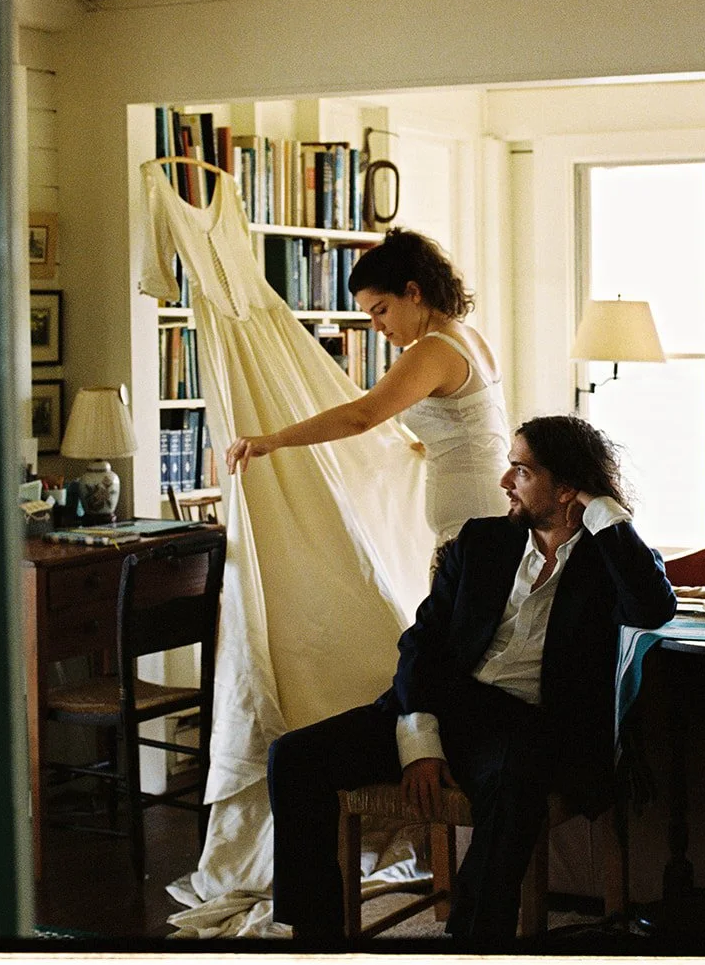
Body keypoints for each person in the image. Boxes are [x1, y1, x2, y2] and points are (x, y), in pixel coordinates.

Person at [265, 415, 677, 943]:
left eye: (521, 470)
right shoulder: (482, 542)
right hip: (437, 706)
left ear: (567, 487)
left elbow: (653, 606)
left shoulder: (610, 559)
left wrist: (602, 510)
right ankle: (316, 941)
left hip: (525, 725)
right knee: (294, 757)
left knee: (513, 785)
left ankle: (473, 945)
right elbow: (421, 643)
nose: (506, 482)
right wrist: (419, 739)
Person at [224, 228, 509, 549]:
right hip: (482, 512)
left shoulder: (432, 350)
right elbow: (473, 429)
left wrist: (273, 441)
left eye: (381, 310)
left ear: (413, 291)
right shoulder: (467, 336)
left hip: (474, 519)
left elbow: (361, 416)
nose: (377, 327)